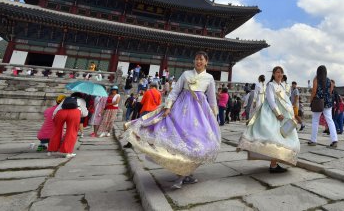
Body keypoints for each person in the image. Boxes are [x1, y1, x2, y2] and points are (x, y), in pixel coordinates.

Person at [124, 51, 220, 189]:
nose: (198, 61)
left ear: (206, 62)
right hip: (181, 110)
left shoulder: (209, 78)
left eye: (201, 59)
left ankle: (185, 173)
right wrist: (168, 106)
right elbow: (175, 91)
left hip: (199, 113)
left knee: (195, 142)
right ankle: (183, 174)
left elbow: (211, 98)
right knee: (179, 140)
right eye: (196, 59)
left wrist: (214, 117)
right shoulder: (186, 74)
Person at [238, 66, 300, 173]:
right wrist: (277, 113)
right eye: (277, 72)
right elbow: (271, 100)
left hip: (283, 114)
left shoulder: (282, 85)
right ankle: (273, 164)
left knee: (282, 138)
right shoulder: (270, 85)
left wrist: (291, 114)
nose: (279, 74)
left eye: (281, 72)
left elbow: (287, 101)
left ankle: (274, 163)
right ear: (273, 74)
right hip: (272, 113)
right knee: (273, 137)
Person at [49, 92, 88, 157]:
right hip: (74, 113)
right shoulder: (82, 100)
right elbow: (85, 113)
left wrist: (54, 117)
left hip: (61, 112)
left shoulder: (66, 99)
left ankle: (52, 150)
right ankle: (67, 152)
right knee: (71, 132)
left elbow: (57, 109)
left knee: (56, 131)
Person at [308, 65, 338, 148]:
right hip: (328, 103)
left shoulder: (316, 79)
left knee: (315, 121)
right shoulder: (329, 81)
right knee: (330, 120)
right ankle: (334, 140)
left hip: (318, 102)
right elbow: (331, 91)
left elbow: (314, 91)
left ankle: (313, 140)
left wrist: (311, 99)